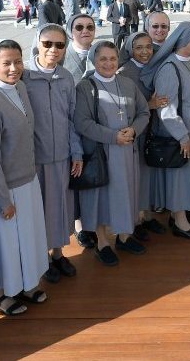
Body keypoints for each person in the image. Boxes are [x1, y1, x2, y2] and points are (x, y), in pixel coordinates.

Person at [0, 40, 49, 315]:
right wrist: (2, 198)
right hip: (3, 188)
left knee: (27, 238)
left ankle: (26, 284)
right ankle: (0, 294)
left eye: (18, 61)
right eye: (6, 63)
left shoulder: (21, 88)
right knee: (3, 244)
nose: (14, 68)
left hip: (27, 180)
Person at [141, 22, 190, 238]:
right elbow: (166, 109)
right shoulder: (169, 68)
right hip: (181, 136)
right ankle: (179, 222)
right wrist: (182, 136)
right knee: (180, 180)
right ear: (184, 40)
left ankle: (181, 215)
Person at [75, 41, 150, 265]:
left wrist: (134, 130)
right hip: (103, 152)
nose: (108, 63)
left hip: (127, 151)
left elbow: (144, 112)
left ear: (118, 60)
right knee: (101, 198)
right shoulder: (85, 87)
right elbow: (82, 122)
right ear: (94, 61)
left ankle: (125, 236)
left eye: (112, 59)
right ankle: (102, 242)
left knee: (126, 193)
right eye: (103, 59)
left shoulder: (127, 83)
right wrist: (113, 136)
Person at [22, 25, 84, 282]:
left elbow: (71, 119)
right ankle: (42, 257)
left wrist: (76, 152)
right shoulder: (24, 76)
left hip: (63, 157)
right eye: (48, 43)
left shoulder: (66, 78)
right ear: (38, 42)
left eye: (60, 45)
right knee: (41, 211)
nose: (53, 50)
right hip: (36, 158)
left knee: (61, 208)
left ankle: (58, 253)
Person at [118, 31, 169, 234]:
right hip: (135, 134)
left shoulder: (156, 67)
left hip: (153, 130)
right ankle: (135, 220)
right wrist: (150, 105)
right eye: (139, 47)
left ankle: (147, 215)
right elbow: (124, 111)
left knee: (149, 176)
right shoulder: (124, 73)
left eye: (148, 46)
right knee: (136, 176)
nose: (145, 51)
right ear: (130, 50)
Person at [63, 14, 97, 82]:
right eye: (79, 27)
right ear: (70, 31)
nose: (85, 31)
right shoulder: (60, 56)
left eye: (90, 27)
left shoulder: (102, 53)